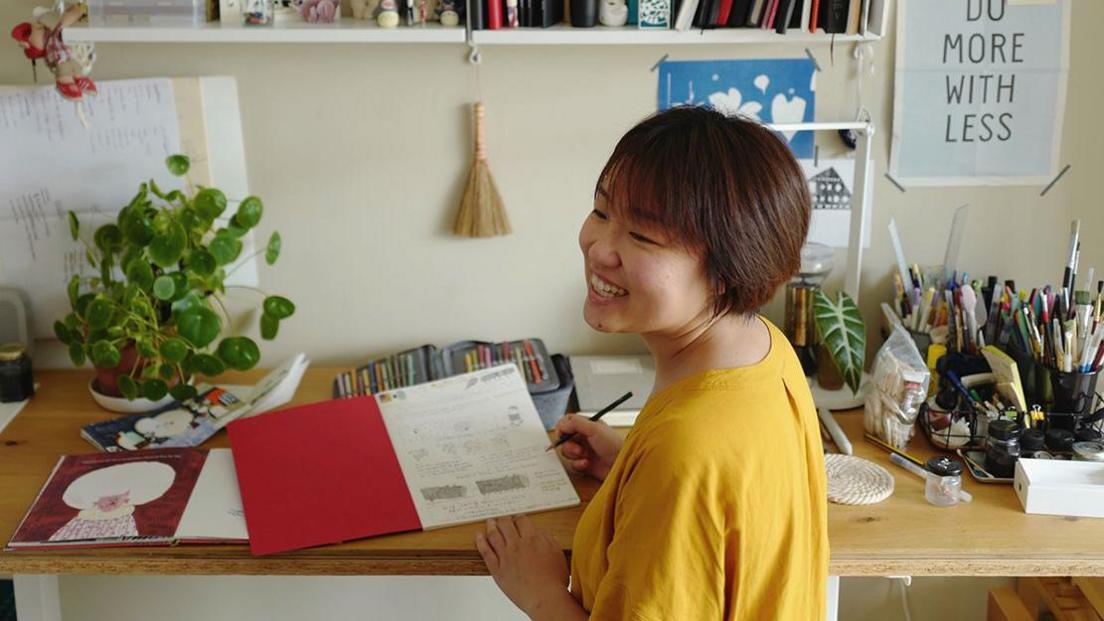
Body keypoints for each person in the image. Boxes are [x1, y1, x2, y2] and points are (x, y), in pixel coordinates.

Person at [474, 106, 828, 620]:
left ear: (727, 270)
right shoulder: (764, 349)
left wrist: (539, 589)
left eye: (642, 236)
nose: (600, 249)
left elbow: (693, 470)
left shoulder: (683, 453)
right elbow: (728, 511)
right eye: (601, 212)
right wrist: (628, 468)